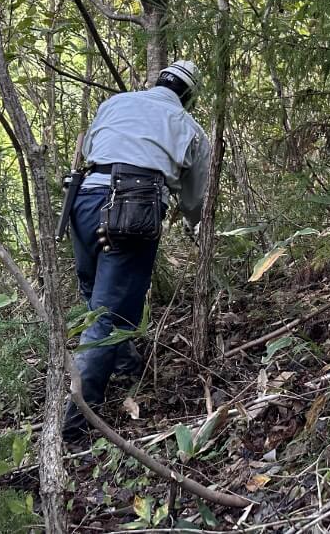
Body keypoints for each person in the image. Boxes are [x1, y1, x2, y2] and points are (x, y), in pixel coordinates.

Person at [62, 59, 211, 443]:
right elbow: (194, 199)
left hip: (84, 200)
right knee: (108, 313)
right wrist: (194, 224)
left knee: (94, 290)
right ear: (188, 96)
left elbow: (94, 147)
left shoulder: (114, 103)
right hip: (135, 208)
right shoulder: (189, 127)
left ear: (158, 81)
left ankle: (125, 362)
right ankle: (76, 422)